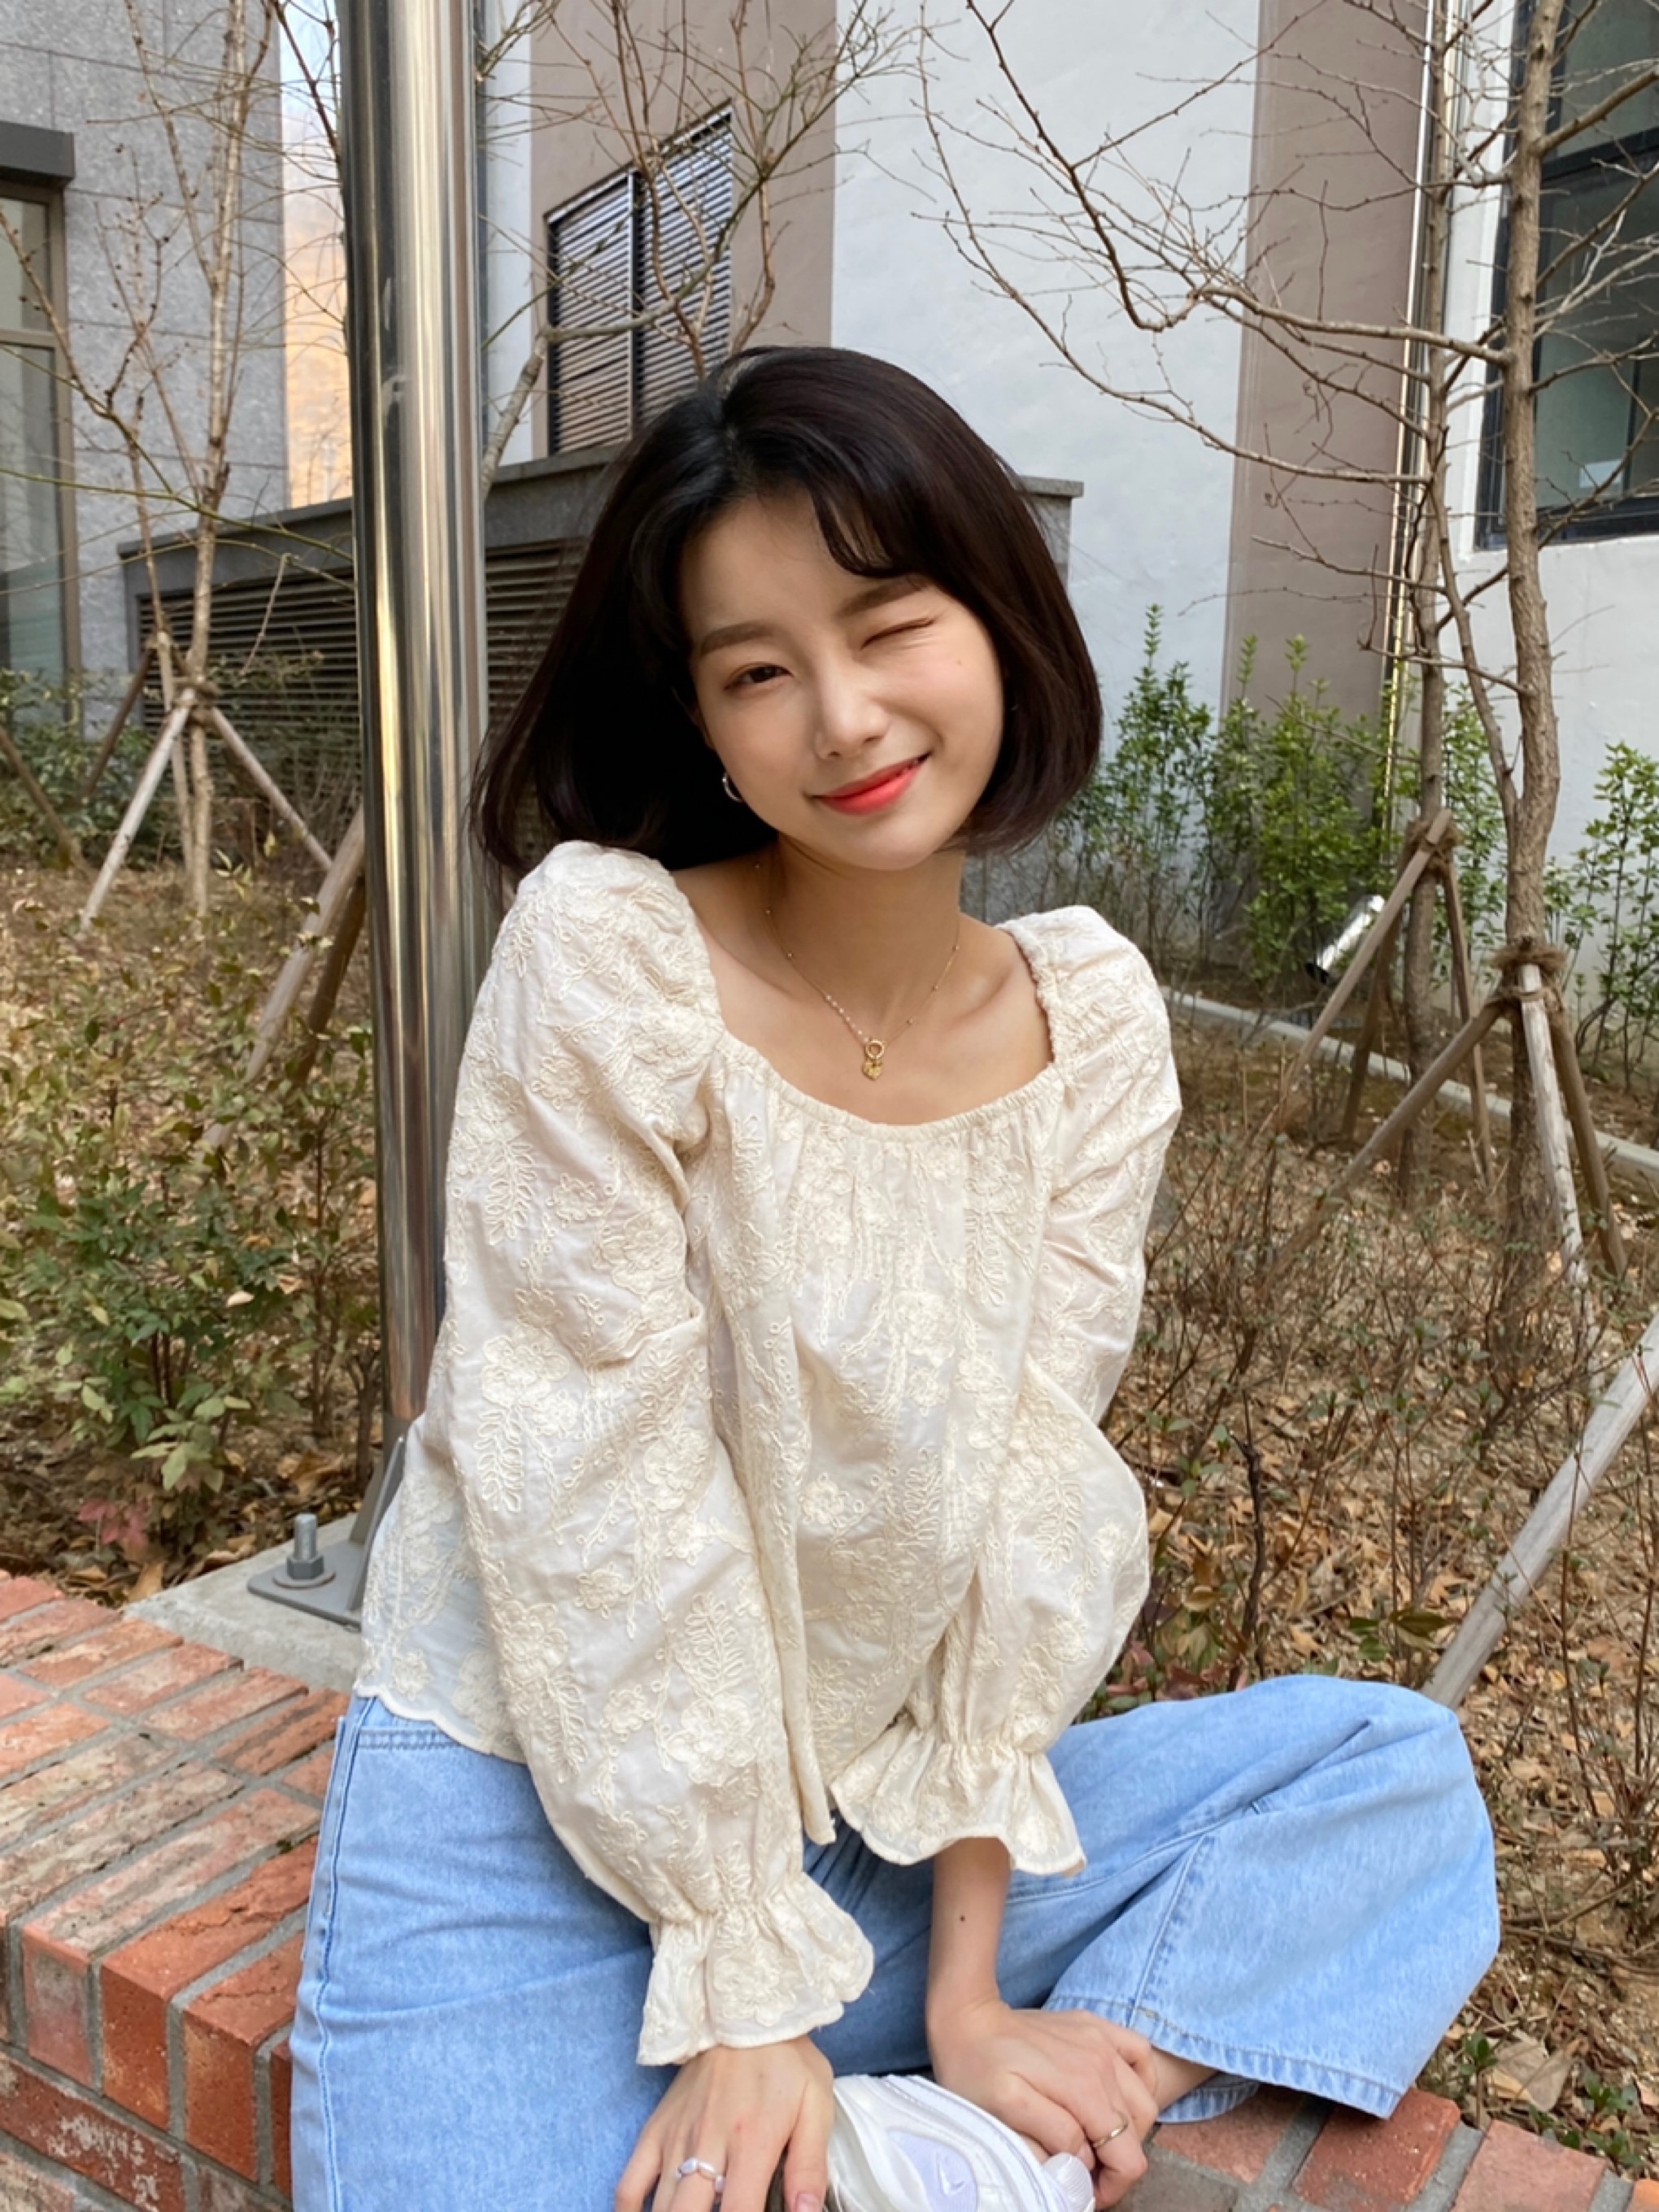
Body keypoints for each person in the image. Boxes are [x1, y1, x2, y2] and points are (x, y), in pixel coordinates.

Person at [287, 347, 1498, 2212]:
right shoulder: (611, 957)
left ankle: (943, 2133)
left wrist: (968, 2000)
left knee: (1387, 1773)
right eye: (757, 669)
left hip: (871, 1834)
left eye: (887, 624)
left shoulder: (1090, 1029)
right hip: (527, 1806)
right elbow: (591, 1489)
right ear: (703, 718)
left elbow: (1023, 1505)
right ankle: (838, 2103)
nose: (842, 715)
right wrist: (739, 1974)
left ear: (998, 619)